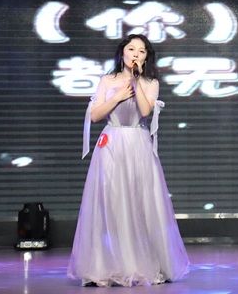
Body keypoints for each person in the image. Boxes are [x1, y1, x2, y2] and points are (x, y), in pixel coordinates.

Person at [68, 34, 189, 287]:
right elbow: (95, 116)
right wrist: (118, 96)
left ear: (146, 57)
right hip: (111, 144)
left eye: (142, 51)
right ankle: (106, 265)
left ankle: (141, 264)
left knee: (140, 203)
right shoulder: (107, 80)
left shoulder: (150, 82)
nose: (135, 54)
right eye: (131, 48)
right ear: (122, 52)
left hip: (138, 145)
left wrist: (136, 82)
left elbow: (144, 111)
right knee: (110, 204)